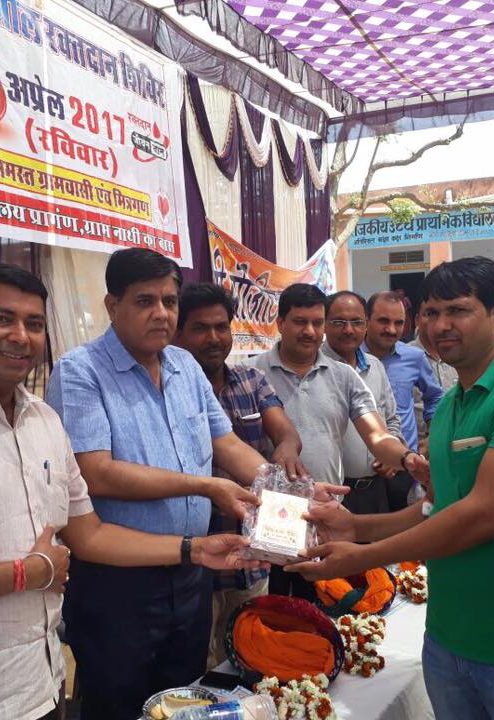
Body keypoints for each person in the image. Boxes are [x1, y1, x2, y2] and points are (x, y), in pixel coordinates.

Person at [0, 263, 264, 720]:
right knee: (118, 703)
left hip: (190, 570)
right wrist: (205, 485)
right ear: (112, 305)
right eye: (145, 301)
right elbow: (98, 474)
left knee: (182, 700)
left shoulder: (183, 366)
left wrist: (286, 491)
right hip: (118, 585)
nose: (161, 313)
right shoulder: (81, 371)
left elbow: (227, 444)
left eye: (169, 301)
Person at [287, 256, 494, 720]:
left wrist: (362, 556)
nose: (440, 325)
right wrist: (355, 527)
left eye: (458, 310)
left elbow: (481, 515)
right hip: (446, 637)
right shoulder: (450, 406)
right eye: (431, 312)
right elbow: (435, 508)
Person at [248, 283, 428, 597]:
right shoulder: (251, 373)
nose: (309, 331)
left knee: (331, 607)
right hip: (269, 519)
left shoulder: (344, 375)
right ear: (280, 323)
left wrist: (405, 458)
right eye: (300, 322)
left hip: (327, 517)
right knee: (272, 610)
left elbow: (377, 435)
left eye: (316, 323)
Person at [175, 282, 305, 667]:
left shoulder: (252, 381)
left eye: (221, 327)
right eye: (200, 328)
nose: (214, 338)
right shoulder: (171, 393)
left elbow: (284, 430)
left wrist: (286, 447)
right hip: (196, 553)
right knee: (200, 663)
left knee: (250, 652)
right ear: (178, 334)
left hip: (251, 552)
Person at [322, 291, 403, 514]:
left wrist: (392, 454)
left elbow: (391, 419)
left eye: (357, 322)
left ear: (366, 324)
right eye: (339, 322)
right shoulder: (315, 368)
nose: (349, 330)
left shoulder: (375, 366)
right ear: (324, 324)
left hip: (376, 490)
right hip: (331, 493)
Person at [364, 290, 443, 509]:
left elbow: (435, 397)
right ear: (367, 319)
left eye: (398, 323)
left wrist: (433, 434)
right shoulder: (349, 357)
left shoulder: (413, 357)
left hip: (404, 467)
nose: (391, 329)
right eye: (383, 321)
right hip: (360, 472)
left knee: (407, 524)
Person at [409, 300, 458, 454]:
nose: (437, 322)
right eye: (430, 314)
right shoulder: (404, 357)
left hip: (456, 445)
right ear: (417, 320)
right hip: (416, 451)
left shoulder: (459, 355)